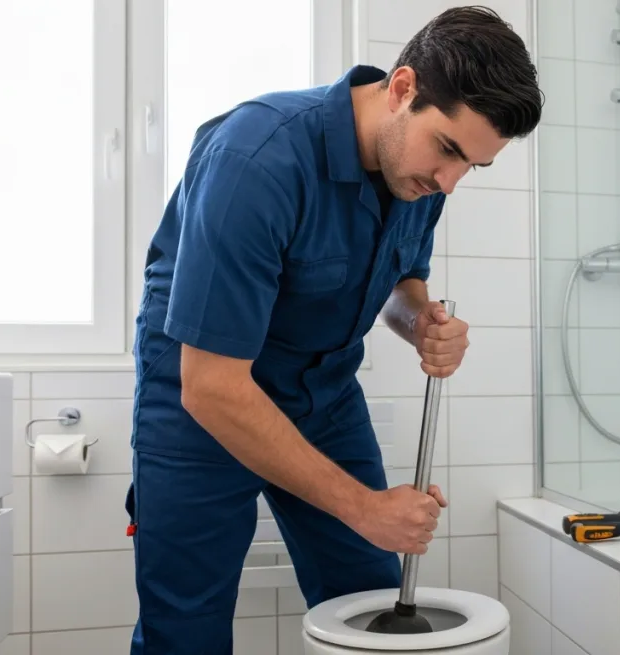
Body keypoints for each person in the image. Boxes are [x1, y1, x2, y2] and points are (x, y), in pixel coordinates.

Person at [123, 5, 543, 654]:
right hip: (201, 401)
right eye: (450, 151)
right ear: (402, 88)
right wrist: (364, 505)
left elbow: (402, 283)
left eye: (473, 168)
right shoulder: (256, 158)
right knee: (186, 629)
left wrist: (421, 323)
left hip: (325, 393)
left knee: (372, 603)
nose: (449, 184)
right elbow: (209, 386)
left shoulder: (418, 179)